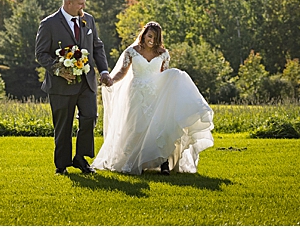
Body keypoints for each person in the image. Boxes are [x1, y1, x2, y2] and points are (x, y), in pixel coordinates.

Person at [92, 21, 214, 175]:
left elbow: (165, 74)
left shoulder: (163, 53)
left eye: (155, 38)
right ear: (143, 34)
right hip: (137, 93)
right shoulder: (132, 51)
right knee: (137, 127)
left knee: (159, 127)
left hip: (157, 94)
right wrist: (111, 80)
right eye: (150, 36)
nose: (152, 40)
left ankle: (164, 163)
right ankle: (136, 161)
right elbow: (123, 72)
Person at [35, 0, 112, 175]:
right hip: (60, 85)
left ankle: (81, 159)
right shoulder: (49, 24)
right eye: (80, 3)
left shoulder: (88, 20)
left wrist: (103, 70)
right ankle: (61, 165)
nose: (83, 6)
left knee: (90, 117)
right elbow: (40, 54)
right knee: (63, 125)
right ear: (68, 3)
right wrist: (59, 69)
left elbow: (97, 47)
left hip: (87, 82)